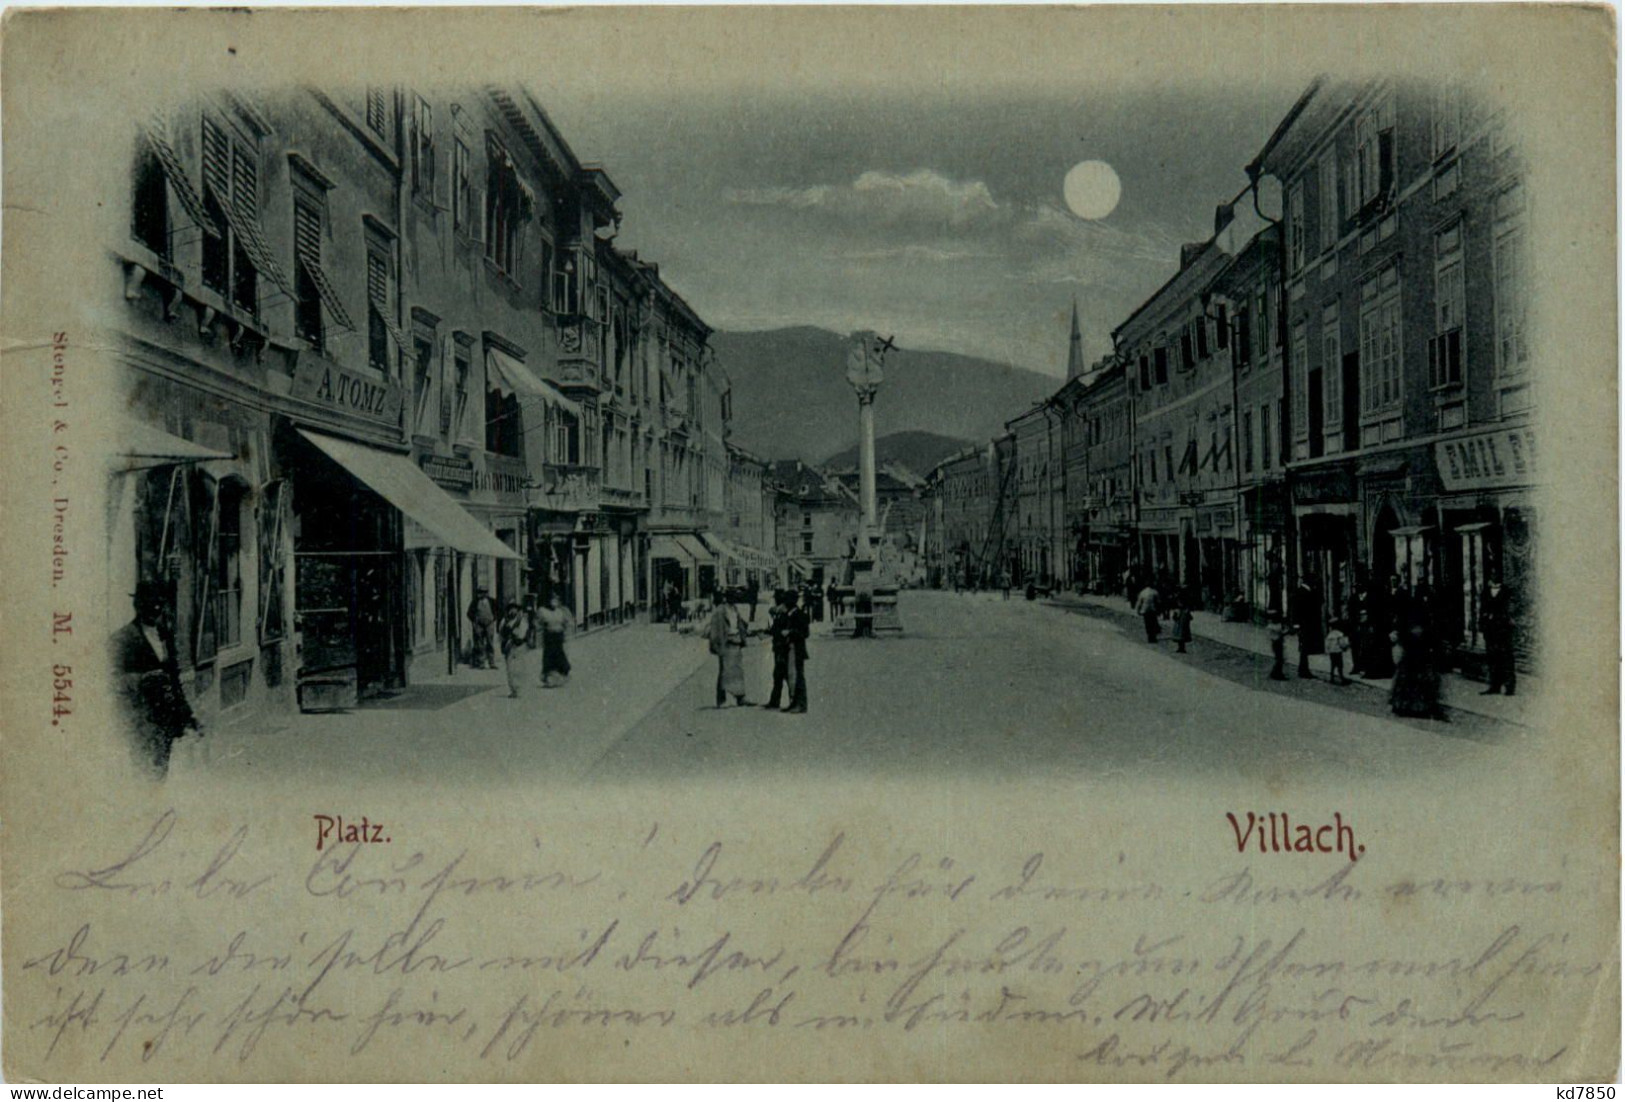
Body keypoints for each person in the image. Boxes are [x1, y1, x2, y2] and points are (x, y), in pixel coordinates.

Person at [113, 580, 201, 778]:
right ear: (138, 605)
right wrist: (140, 679)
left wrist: (188, 715)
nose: (156, 608)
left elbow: (174, 679)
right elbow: (108, 681)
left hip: (164, 723)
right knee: (141, 775)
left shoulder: (164, 636)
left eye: (160, 603)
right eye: (151, 603)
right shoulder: (123, 639)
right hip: (138, 721)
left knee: (160, 773)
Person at [1390, 607, 1448, 721]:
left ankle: (1409, 706)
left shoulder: (1417, 624)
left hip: (1417, 652)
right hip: (1417, 652)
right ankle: (1417, 707)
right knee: (1416, 679)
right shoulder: (1418, 624)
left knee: (1411, 679)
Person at [707, 589, 752, 707]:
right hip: (726, 643)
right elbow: (715, 629)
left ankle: (740, 697)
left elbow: (740, 624)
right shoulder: (720, 611)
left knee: (738, 671)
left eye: (735, 597)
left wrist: (746, 633)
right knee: (724, 671)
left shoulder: (735, 609)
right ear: (726, 598)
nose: (734, 599)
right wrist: (716, 645)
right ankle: (721, 699)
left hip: (736, 641)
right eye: (732, 597)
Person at [1480, 577, 1517, 695]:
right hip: (1490, 629)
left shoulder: (1507, 591)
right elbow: (1482, 609)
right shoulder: (1485, 592)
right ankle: (1494, 686)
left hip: (1503, 629)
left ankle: (1509, 687)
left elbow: (1511, 609)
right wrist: (1483, 624)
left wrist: (1508, 621)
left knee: (1506, 657)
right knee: (1492, 658)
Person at [765, 590, 796, 709]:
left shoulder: (782, 612)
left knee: (784, 674)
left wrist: (770, 631)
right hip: (779, 646)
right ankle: (776, 700)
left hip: (782, 646)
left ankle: (789, 700)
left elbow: (778, 628)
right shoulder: (780, 611)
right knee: (778, 674)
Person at [535, 592, 573, 687]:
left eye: (555, 600)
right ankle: (549, 679)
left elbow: (567, 624)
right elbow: (538, 627)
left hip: (558, 637)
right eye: (552, 600)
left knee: (560, 657)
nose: (554, 602)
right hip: (549, 637)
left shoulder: (561, 611)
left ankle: (561, 676)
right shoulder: (542, 611)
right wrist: (538, 641)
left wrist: (566, 636)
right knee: (549, 659)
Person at [498, 601, 534, 698]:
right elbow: (500, 633)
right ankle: (513, 689)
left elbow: (522, 634)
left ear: (517, 610)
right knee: (510, 669)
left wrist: (516, 635)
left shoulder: (521, 621)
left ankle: (519, 689)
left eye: (514, 609)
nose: (512, 611)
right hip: (508, 648)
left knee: (518, 668)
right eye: (510, 608)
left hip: (519, 647)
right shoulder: (504, 621)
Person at [783, 588, 810, 713]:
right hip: (790, 648)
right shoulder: (790, 613)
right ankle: (793, 702)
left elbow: (805, 633)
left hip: (797, 648)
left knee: (798, 677)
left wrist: (790, 632)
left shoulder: (799, 614)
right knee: (792, 676)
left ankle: (801, 704)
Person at [1292, 578, 1323, 680]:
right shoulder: (1303, 592)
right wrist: (1297, 624)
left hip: (1304, 625)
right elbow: (1296, 609)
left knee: (1305, 647)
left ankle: (1303, 669)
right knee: (1305, 647)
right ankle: (1303, 670)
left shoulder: (1303, 591)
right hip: (1305, 625)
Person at [467, 587, 498, 669]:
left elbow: (498, 610)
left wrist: (493, 618)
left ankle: (492, 663)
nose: (483, 594)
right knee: (480, 644)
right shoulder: (475, 602)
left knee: (490, 643)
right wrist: (475, 621)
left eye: (485, 592)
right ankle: (481, 663)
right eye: (481, 592)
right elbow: (469, 613)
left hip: (489, 625)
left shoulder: (492, 601)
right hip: (479, 625)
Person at [1324, 618, 1351, 685]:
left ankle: (1332, 678)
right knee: (1340, 666)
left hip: (1332, 653)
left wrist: (1327, 650)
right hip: (1338, 652)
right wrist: (1346, 647)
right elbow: (1342, 643)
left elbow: (1327, 644)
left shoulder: (1329, 635)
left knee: (1333, 665)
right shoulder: (1339, 634)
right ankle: (1341, 678)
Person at [1266, 608, 1289, 680]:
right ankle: (1276, 673)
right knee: (1279, 659)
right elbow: (1280, 633)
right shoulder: (1272, 626)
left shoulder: (1273, 625)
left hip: (1278, 643)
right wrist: (1286, 631)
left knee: (1280, 659)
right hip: (1276, 643)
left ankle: (1276, 672)